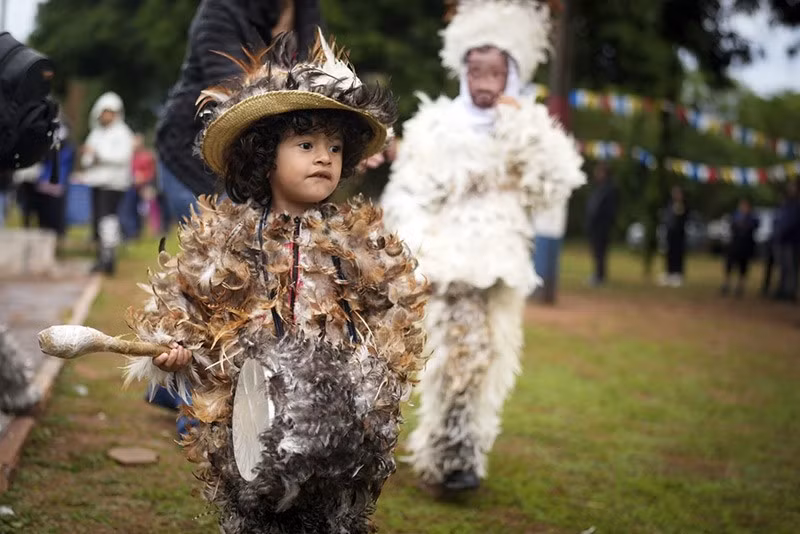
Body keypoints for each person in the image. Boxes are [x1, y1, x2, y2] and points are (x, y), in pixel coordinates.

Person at [123, 31, 427, 533]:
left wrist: (370, 389)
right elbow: (182, 304)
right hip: (247, 430)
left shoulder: (360, 243)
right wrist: (168, 348)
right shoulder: (223, 237)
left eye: (334, 146)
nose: (324, 157)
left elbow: (394, 319)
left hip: (339, 429)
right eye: (306, 144)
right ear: (265, 155)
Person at [381, 0, 585, 493]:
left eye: (495, 72)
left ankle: (455, 453)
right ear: (462, 70)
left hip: (500, 265)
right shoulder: (437, 125)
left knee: (487, 357)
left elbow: (556, 184)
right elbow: (407, 190)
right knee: (456, 355)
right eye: (476, 70)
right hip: (444, 262)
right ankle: (449, 460)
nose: (485, 82)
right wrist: (415, 247)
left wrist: (521, 126)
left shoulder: (528, 125)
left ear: (511, 73)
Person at [155, 0, 321, 223]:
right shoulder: (219, 9)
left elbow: (319, 79)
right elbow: (237, 91)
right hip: (196, 153)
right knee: (230, 243)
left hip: (266, 157)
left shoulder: (306, 11)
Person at [80, 92, 135, 275]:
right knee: (97, 220)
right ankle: (100, 256)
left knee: (107, 218)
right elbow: (87, 158)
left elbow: (122, 157)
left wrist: (99, 156)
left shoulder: (123, 133)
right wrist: (90, 158)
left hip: (113, 183)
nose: (106, 116)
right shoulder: (96, 133)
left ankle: (109, 257)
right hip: (96, 181)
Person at [585, 161, 618, 287]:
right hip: (594, 226)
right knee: (596, 251)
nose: (597, 174)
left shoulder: (610, 189)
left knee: (601, 252)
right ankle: (597, 274)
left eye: (599, 172)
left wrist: (605, 223)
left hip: (602, 226)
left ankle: (600, 276)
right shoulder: (599, 188)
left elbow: (610, 210)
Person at [721, 197, 759, 297]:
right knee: (729, 265)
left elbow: (753, 227)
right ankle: (726, 284)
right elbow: (732, 226)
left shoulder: (752, 217)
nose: (743, 207)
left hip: (745, 247)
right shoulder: (735, 215)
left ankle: (740, 286)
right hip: (734, 245)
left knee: (743, 267)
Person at [772, 181, 800, 301]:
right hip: (781, 240)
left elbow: (792, 222)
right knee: (782, 267)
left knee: (791, 268)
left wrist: (783, 231)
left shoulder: (797, 205)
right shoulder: (785, 204)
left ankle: (790, 291)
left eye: (793, 188)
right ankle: (782, 290)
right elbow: (778, 220)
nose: (790, 190)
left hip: (792, 241)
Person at [660, 185, 688, 287]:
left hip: (679, 235)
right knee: (669, 254)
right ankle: (669, 273)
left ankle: (678, 274)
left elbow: (683, 219)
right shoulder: (670, 204)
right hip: (670, 233)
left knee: (678, 254)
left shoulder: (683, 205)